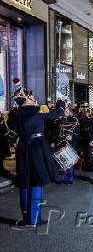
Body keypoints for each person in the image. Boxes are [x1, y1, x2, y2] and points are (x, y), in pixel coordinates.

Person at [7, 87, 65, 226]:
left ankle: (26, 217)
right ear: (27, 99)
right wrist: (61, 103)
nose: (35, 98)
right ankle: (34, 218)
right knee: (36, 181)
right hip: (37, 148)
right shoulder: (39, 109)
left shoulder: (14, 113)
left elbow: (10, 127)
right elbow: (58, 113)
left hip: (23, 148)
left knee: (24, 181)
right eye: (32, 96)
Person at [49, 106, 80, 184]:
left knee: (70, 162)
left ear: (70, 112)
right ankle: (65, 178)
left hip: (70, 143)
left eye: (67, 111)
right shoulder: (58, 121)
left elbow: (78, 133)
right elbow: (54, 133)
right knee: (63, 161)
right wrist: (52, 141)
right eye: (64, 111)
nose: (65, 112)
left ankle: (70, 179)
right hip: (60, 143)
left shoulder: (75, 121)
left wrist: (72, 136)